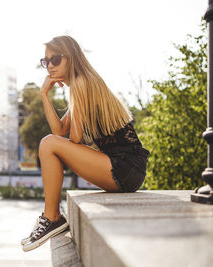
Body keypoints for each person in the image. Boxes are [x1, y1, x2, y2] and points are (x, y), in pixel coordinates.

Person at [21, 36, 150, 252]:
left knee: (47, 143)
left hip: (125, 167)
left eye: (55, 59)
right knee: (49, 142)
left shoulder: (82, 84)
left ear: (70, 58)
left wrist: (61, 142)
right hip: (127, 169)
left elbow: (74, 140)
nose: (50, 66)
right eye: (46, 62)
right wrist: (44, 94)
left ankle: (52, 217)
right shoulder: (82, 84)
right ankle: (51, 217)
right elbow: (60, 131)